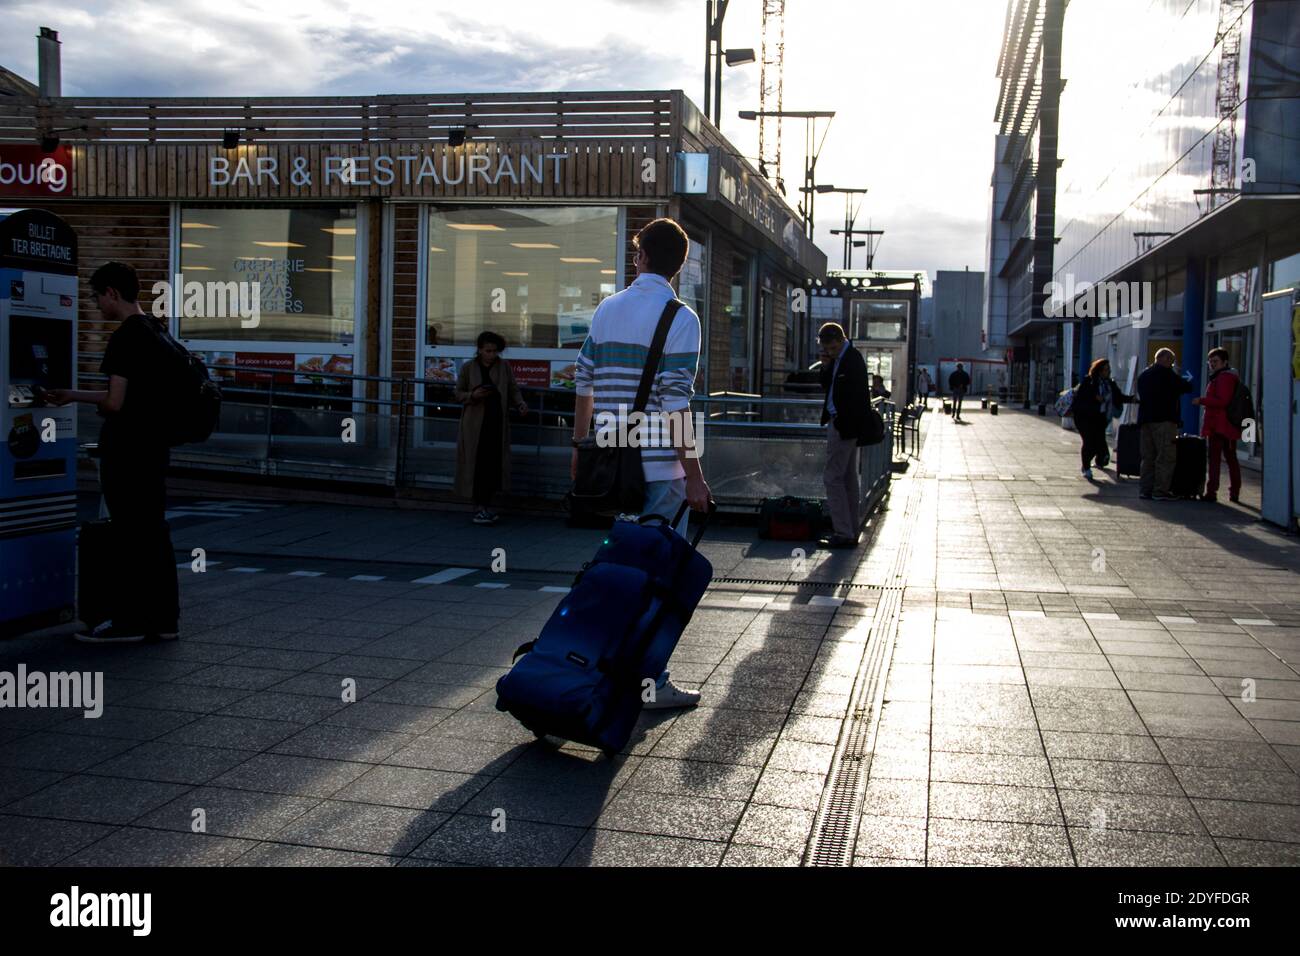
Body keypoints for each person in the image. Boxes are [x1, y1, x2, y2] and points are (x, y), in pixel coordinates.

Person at [572, 217, 708, 710]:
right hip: (660, 473)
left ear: (641, 257)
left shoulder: (608, 309)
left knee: (621, 572)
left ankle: (604, 665)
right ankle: (652, 681)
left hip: (612, 468)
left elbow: (583, 380)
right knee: (660, 580)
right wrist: (693, 475)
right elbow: (675, 403)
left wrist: (580, 449)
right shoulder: (681, 318)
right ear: (681, 263)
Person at [43, 262, 179, 644]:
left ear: (112, 294)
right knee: (153, 531)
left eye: (96, 296)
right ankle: (163, 620)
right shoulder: (157, 330)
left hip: (128, 448)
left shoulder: (125, 337)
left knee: (129, 531)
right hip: (155, 447)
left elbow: (115, 402)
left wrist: (75, 397)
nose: (95, 304)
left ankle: (129, 622)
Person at [454, 331, 527, 525]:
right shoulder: (469, 368)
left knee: (493, 465)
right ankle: (480, 506)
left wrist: (520, 403)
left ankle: (486, 505)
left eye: (495, 351)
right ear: (479, 350)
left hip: (496, 423)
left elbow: (513, 388)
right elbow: (458, 393)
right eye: (488, 351)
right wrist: (473, 395)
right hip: (474, 426)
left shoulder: (504, 367)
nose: (491, 355)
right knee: (476, 464)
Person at [817, 322, 871, 549]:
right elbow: (826, 387)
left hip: (843, 426)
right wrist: (826, 366)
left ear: (840, 340)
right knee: (848, 479)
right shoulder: (841, 358)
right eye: (826, 349)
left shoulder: (852, 360)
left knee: (832, 478)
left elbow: (856, 398)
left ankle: (843, 531)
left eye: (831, 348)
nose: (829, 352)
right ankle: (850, 529)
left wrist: (840, 421)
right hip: (843, 424)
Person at [1135, 347, 1192, 500]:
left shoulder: (1144, 375)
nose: (1172, 365)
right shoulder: (1167, 375)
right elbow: (1186, 387)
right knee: (1165, 456)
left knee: (1148, 457)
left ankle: (1145, 490)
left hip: (1146, 420)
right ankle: (1160, 491)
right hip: (1164, 421)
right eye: (1171, 362)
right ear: (1165, 359)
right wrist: (1184, 376)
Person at [1072, 357, 1135, 480]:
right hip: (1085, 418)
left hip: (1101, 418)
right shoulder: (1089, 382)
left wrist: (1132, 399)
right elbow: (1080, 398)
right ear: (1099, 371)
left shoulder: (1110, 384)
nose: (1108, 372)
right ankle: (1086, 467)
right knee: (1089, 442)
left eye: (1109, 370)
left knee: (1098, 444)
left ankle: (1091, 462)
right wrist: (1094, 398)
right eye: (1106, 370)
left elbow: (1118, 397)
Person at [1193, 347, 1242, 503]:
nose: (1212, 364)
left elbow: (1223, 401)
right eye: (1210, 362)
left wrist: (1202, 400)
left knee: (1217, 460)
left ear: (1225, 362)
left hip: (1221, 425)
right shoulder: (1225, 376)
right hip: (1224, 425)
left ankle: (1213, 492)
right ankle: (1231, 492)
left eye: (1215, 361)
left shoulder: (1224, 378)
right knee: (1228, 459)